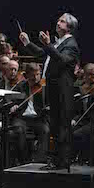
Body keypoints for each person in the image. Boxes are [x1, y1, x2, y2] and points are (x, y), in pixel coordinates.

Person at [19, 13, 81, 170]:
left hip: (62, 90)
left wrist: (48, 45)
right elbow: (43, 54)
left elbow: (62, 60)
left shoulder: (71, 44)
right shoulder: (59, 42)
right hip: (53, 88)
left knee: (62, 126)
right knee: (54, 125)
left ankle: (63, 161)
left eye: (62, 21)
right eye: (58, 20)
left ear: (69, 27)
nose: (58, 23)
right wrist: (27, 43)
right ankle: (55, 160)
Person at [8, 63, 50, 163]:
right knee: (18, 129)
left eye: (38, 74)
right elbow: (11, 101)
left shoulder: (43, 86)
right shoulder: (21, 86)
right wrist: (13, 106)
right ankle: (24, 160)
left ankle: (40, 160)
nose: (36, 78)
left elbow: (51, 101)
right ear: (26, 75)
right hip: (22, 118)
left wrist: (48, 106)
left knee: (45, 130)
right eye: (33, 75)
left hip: (38, 117)